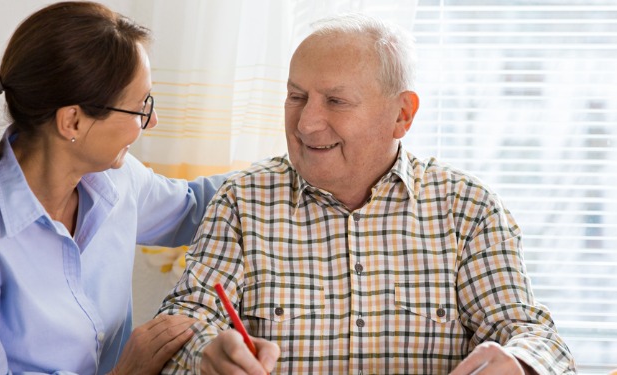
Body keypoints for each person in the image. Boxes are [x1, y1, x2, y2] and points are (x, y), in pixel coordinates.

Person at [158, 13, 576, 375]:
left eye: (336, 102)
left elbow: (536, 337)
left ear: (401, 115)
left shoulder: (467, 209)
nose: (306, 124)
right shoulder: (240, 201)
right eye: (296, 97)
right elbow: (184, 327)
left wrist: (519, 362)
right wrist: (205, 355)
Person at [0, 2, 225, 374]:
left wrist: (294, 162)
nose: (151, 120)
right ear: (72, 121)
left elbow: (199, 208)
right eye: (140, 107)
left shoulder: (115, 180)